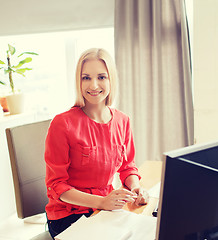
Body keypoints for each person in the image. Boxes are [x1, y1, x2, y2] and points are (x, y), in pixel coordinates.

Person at [44, 48, 149, 239]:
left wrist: (135, 188)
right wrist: (102, 202)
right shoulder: (62, 124)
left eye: (101, 77)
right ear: (79, 81)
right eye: (86, 78)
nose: (93, 85)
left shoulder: (122, 121)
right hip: (68, 216)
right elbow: (56, 185)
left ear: (111, 80)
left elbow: (128, 166)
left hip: (104, 209)